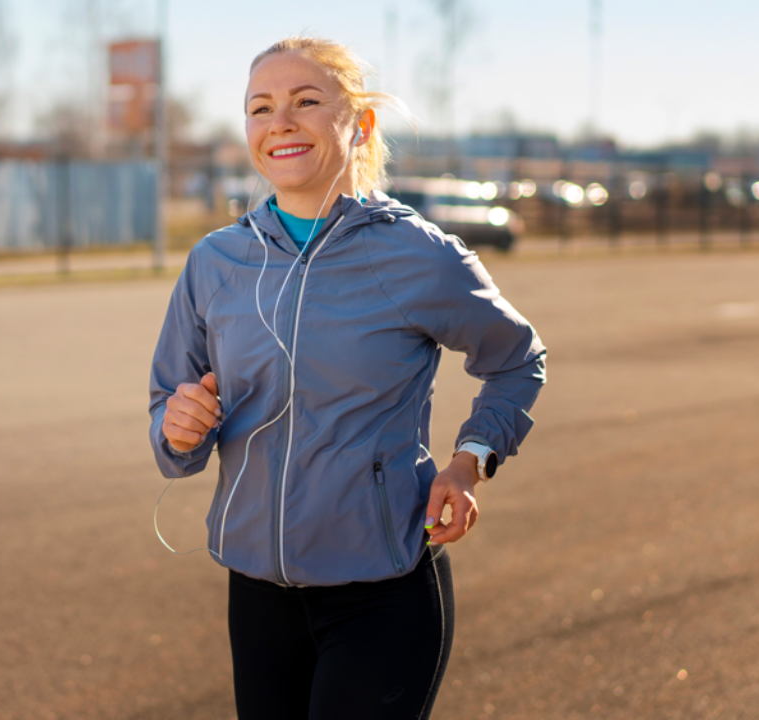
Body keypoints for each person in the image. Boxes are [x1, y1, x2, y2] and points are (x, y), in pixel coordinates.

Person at [147, 36, 546, 720]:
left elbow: (516, 359)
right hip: (258, 597)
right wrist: (176, 429)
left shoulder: (418, 255)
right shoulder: (216, 263)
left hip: (382, 596)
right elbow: (168, 421)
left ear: (358, 124)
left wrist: (470, 462)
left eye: (306, 102)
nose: (281, 123)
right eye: (260, 108)